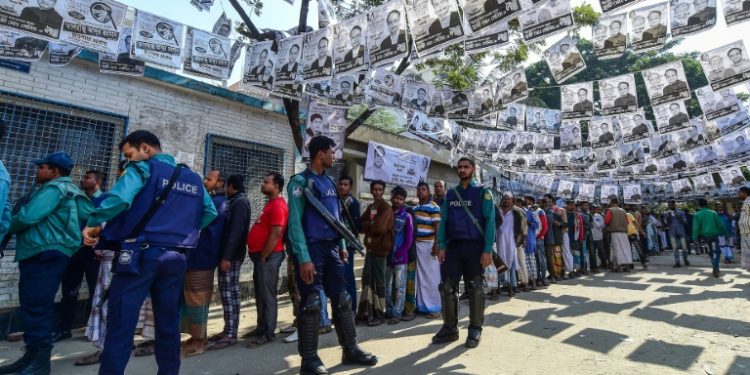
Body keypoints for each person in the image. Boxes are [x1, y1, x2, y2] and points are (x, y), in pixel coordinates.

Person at [81, 131, 217, 375]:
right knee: (167, 324)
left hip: (140, 255)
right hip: (176, 258)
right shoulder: (194, 179)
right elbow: (209, 213)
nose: (129, 160)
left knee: (121, 324)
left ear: (145, 148)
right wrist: (181, 231)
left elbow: (120, 200)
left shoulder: (142, 170)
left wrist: (93, 222)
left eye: (129, 154)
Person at [286, 136, 378, 374]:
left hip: (333, 250)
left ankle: (351, 349)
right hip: (311, 250)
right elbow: (295, 223)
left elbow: (336, 220)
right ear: (320, 154)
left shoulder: (329, 182)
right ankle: (309, 361)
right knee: (313, 303)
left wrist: (343, 246)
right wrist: (303, 257)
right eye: (331, 152)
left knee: (343, 299)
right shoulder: (300, 182)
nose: (333, 156)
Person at [0, 151, 92, 375]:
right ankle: (30, 358)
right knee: (35, 306)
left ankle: (40, 364)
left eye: (42, 167)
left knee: (37, 307)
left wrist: (6, 226)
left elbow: (28, 217)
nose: (37, 171)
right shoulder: (72, 190)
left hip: (44, 252)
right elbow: (90, 214)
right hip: (49, 252)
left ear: (54, 170)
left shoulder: (54, 188)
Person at [433, 157, 494, 348]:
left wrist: (487, 250)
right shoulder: (451, 194)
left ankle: (475, 329)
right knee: (447, 287)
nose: (462, 170)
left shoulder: (483, 193)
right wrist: (441, 246)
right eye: (459, 167)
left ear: (473, 170)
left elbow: (490, 221)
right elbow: (443, 222)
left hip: (475, 247)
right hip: (453, 247)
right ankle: (450, 327)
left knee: (475, 287)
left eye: (466, 167)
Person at [53, 170, 105, 343]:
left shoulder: (105, 201)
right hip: (75, 250)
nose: (83, 180)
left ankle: (93, 330)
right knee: (69, 290)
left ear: (97, 181)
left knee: (94, 291)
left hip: (94, 253)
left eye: (87, 177)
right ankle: (63, 328)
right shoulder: (78, 200)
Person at [180, 170, 227, 358]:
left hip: (203, 257)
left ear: (220, 183)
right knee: (193, 297)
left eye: (209, 179)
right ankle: (197, 337)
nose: (205, 182)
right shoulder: (214, 201)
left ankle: (199, 342)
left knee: (197, 298)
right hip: (197, 256)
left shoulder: (217, 204)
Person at [208, 174, 252, 350]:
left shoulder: (239, 203)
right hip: (229, 255)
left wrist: (226, 256)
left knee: (229, 293)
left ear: (232, 186)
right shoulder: (235, 201)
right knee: (228, 292)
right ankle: (228, 329)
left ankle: (231, 333)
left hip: (231, 257)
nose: (224, 190)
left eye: (226, 186)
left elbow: (235, 233)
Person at [246, 172, 288, 346]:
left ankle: (268, 332)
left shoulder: (278, 205)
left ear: (276, 186)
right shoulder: (270, 204)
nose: (263, 185)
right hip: (262, 257)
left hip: (269, 257)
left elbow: (277, 233)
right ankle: (261, 327)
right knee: (261, 293)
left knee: (267, 295)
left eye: (266, 182)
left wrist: (264, 255)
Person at [356, 179, 394, 326]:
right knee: (367, 280)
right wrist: (371, 224)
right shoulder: (371, 207)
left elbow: (381, 228)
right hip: (370, 250)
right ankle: (366, 313)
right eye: (375, 189)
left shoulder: (386, 208)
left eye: (380, 189)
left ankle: (379, 314)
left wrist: (370, 225)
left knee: (379, 282)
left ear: (383, 191)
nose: (377, 192)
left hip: (381, 251)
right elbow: (360, 225)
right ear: (372, 191)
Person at [385, 187, 413, 324]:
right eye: (396, 198)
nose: (398, 201)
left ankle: (397, 313)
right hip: (386, 256)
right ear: (392, 197)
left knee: (400, 287)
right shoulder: (386, 213)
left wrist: (399, 253)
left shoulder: (406, 216)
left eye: (401, 199)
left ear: (404, 201)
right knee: (387, 286)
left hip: (401, 258)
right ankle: (389, 311)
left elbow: (409, 240)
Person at [414, 182, 441, 318]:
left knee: (432, 278)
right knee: (421, 279)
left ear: (428, 192)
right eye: (418, 189)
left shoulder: (433, 207)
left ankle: (435, 307)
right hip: (418, 246)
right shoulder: (416, 208)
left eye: (423, 189)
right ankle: (423, 306)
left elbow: (438, 227)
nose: (420, 192)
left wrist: (436, 245)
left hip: (429, 246)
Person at [338, 176, 361, 311]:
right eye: (341, 184)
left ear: (350, 187)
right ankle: (343, 309)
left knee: (348, 277)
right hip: (338, 244)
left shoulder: (352, 202)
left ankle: (352, 310)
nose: (342, 187)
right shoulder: (337, 200)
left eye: (346, 185)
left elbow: (356, 226)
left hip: (348, 245)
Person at [693, 198, 727, 277]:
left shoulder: (697, 214)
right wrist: (726, 234)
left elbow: (696, 228)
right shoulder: (713, 213)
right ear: (707, 204)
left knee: (710, 253)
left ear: (699, 205)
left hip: (705, 237)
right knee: (717, 252)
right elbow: (720, 224)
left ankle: (715, 267)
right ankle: (716, 267)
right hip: (715, 236)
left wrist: (695, 238)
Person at [604, 198, 632, 272]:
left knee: (616, 249)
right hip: (624, 232)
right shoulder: (623, 211)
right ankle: (627, 266)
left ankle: (618, 266)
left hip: (615, 232)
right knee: (625, 248)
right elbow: (627, 222)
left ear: (611, 203)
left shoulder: (610, 210)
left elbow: (606, 221)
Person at [665, 200, 691, 267]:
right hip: (672, 233)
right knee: (675, 248)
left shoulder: (681, 212)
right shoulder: (667, 213)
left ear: (675, 205)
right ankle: (677, 262)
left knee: (684, 248)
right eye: (669, 205)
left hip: (681, 232)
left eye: (672, 205)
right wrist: (669, 216)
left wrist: (678, 217)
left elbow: (685, 222)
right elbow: (667, 223)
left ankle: (685, 259)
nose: (671, 206)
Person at [591, 204, 608, 270]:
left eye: (594, 209)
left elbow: (603, 225)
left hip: (599, 236)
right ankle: (594, 266)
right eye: (592, 209)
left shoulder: (599, 216)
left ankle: (604, 264)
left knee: (601, 251)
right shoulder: (588, 216)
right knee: (593, 252)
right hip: (591, 237)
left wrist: (596, 223)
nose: (593, 210)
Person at [738, 186, 750, 272]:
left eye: (739, 192)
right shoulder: (746, 202)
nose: (738, 194)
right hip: (745, 232)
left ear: (744, 193)